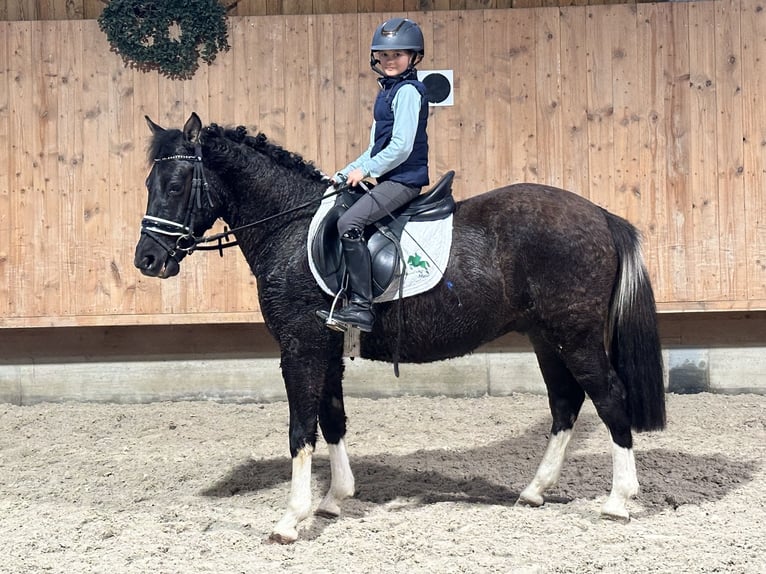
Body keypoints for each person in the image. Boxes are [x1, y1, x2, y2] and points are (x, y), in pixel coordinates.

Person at [318, 17, 430, 333]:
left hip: (404, 181)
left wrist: (366, 171)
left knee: (349, 222)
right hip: (387, 178)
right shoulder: (386, 93)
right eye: (384, 55)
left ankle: (362, 308)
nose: (389, 61)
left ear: (413, 57)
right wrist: (342, 174)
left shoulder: (408, 91)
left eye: (397, 55)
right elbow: (374, 148)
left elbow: (401, 147)